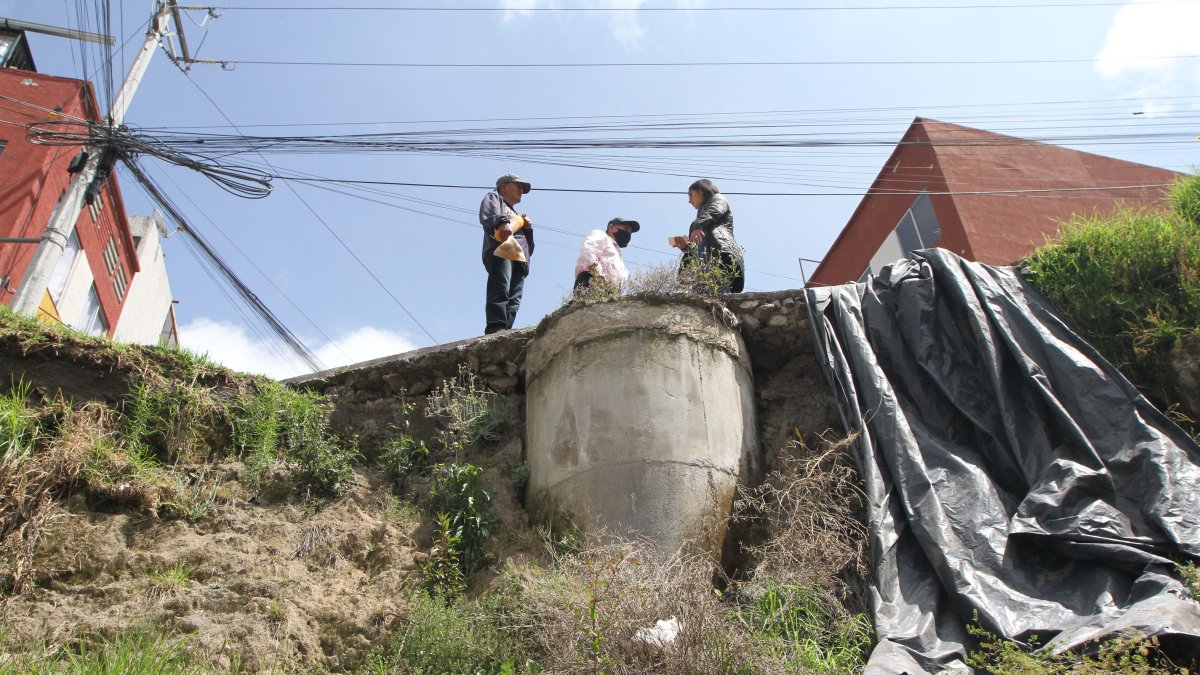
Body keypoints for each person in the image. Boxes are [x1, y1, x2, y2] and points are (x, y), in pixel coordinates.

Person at [480, 173, 535, 334]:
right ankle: (495, 326)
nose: (521, 190)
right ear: (504, 186)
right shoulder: (495, 198)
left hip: (520, 258)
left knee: (514, 298)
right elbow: (489, 215)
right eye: (517, 185)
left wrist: (528, 229)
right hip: (502, 250)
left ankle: (505, 329)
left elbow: (529, 248)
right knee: (500, 287)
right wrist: (502, 222)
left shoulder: (518, 217)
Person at [671, 178, 744, 293]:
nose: (689, 200)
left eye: (691, 195)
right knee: (704, 286)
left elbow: (713, 212)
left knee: (715, 282)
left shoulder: (718, 199)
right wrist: (686, 247)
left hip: (720, 250)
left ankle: (722, 301)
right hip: (711, 253)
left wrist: (697, 226)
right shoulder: (702, 216)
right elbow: (700, 249)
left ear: (700, 191)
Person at [573, 217, 639, 292]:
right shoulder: (601, 235)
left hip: (609, 293)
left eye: (630, 233)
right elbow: (588, 251)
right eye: (626, 229)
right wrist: (598, 274)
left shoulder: (619, 257)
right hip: (591, 281)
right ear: (611, 228)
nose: (628, 234)